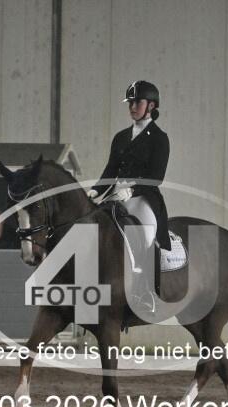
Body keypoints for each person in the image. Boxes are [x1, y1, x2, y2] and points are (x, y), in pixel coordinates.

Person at [88, 80, 171, 312]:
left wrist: (132, 190)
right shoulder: (121, 137)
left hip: (144, 199)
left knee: (146, 237)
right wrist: (96, 190)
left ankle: (146, 292)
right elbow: (110, 170)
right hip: (116, 196)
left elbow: (156, 177)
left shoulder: (159, 138)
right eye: (130, 103)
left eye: (137, 102)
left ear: (151, 105)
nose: (132, 107)